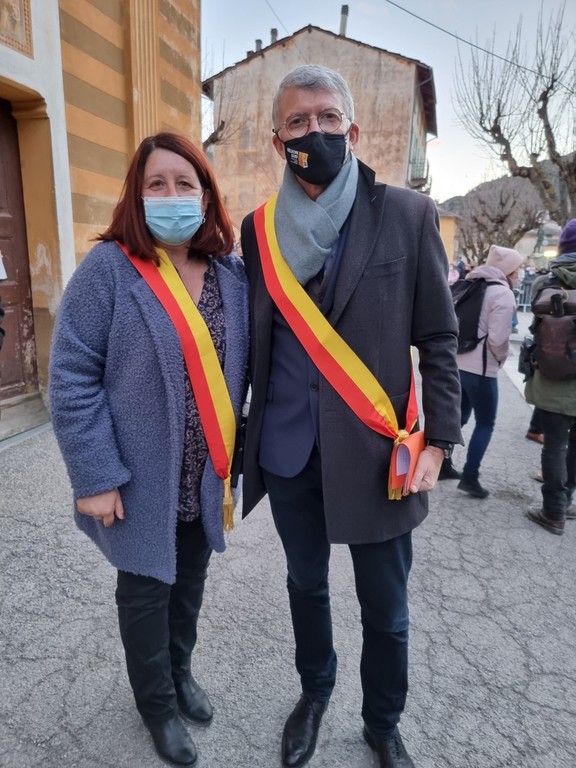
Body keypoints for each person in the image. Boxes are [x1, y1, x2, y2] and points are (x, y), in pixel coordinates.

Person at [240, 65, 462, 768]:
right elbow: (255, 338)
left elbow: (438, 337)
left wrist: (441, 441)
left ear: (353, 130)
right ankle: (315, 693)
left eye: (328, 118)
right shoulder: (257, 231)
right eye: (298, 122)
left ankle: (382, 722)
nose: (315, 132)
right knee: (305, 585)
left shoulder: (407, 214)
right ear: (278, 140)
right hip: (288, 450)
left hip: (377, 454)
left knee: (385, 608)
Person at [49, 133, 249, 768]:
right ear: (136, 195)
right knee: (144, 595)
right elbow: (71, 376)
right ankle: (156, 706)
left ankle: (180, 672)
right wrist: (95, 475)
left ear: (206, 195)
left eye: (184, 184)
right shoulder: (109, 269)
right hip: (138, 480)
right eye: (156, 184)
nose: (171, 195)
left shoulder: (231, 277)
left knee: (188, 585)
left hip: (204, 476)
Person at [451, 245, 523, 498]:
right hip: (481, 369)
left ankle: (443, 464)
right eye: (517, 269)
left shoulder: (472, 284)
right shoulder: (502, 293)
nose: (519, 274)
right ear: (508, 270)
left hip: (458, 363)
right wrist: (501, 359)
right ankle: (470, 477)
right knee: (485, 422)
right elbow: (498, 338)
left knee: (458, 417)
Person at [525, 218, 576, 535]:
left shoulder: (546, 282)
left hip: (554, 378)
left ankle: (553, 511)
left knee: (555, 446)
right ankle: (567, 501)